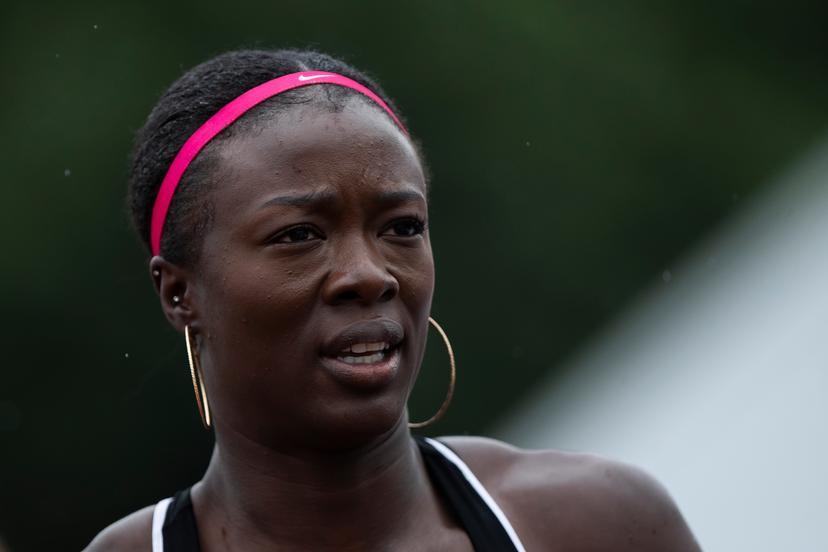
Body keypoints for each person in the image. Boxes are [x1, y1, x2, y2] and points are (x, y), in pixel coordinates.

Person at [85, 49, 700, 551]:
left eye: (402, 227)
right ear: (178, 293)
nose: (369, 275)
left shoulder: (597, 527)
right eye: (299, 235)